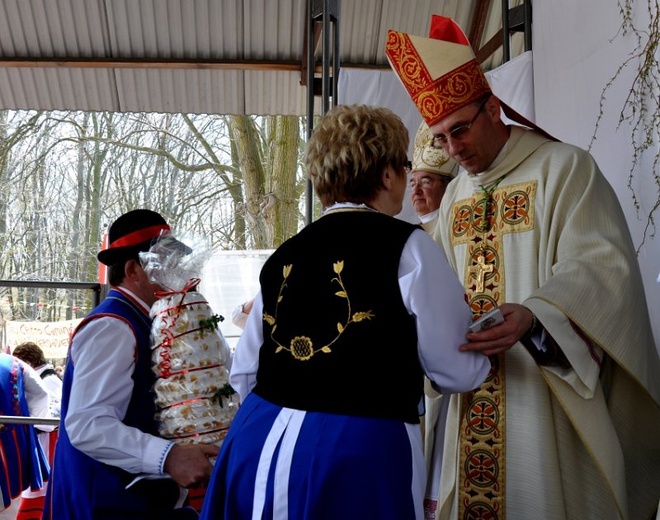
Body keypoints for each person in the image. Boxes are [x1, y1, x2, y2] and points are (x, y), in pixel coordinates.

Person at [386, 15, 660, 520]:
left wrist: (535, 316)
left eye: (461, 130)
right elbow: (437, 285)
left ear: (494, 108)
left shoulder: (564, 169)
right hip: (470, 400)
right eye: (442, 139)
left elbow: (601, 270)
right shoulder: (456, 197)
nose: (455, 149)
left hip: (543, 395)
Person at [200, 104, 490, 520]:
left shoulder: (285, 253)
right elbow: (456, 369)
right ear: (388, 173)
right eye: (404, 167)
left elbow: (245, 371)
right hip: (356, 445)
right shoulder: (409, 247)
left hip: (258, 438)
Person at [43, 209, 219, 520]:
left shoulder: (147, 319)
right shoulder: (113, 326)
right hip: (107, 505)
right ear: (133, 269)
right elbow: (88, 425)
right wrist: (168, 457)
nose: (176, 271)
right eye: (164, 261)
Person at [11, 342, 62, 520]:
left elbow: (49, 420)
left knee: (40, 496)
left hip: (47, 443)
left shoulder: (49, 381)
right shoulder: (45, 379)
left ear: (29, 362)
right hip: (42, 442)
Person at [0, 353, 50, 518]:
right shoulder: (13, 363)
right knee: (9, 509)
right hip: (11, 445)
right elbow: (40, 394)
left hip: (10, 444)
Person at [408, 121, 456, 232]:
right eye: (412, 184)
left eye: (425, 182)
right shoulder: (410, 234)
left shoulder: (456, 229)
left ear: (448, 186)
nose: (416, 191)